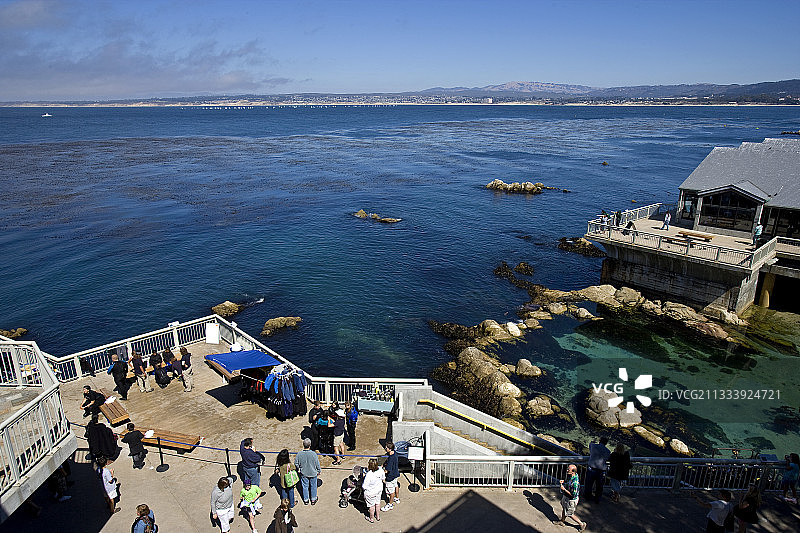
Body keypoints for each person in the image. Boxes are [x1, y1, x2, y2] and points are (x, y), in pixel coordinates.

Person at [554, 464, 586, 530]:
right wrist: (564, 482)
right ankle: (562, 521)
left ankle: (581, 524)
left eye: (568, 469)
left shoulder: (575, 483)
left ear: (573, 471)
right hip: (566, 497)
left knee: (570, 514)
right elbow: (569, 483)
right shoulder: (572, 476)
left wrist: (564, 489)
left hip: (571, 500)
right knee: (564, 508)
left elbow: (573, 494)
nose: (567, 470)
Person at [295, 438, 321, 505]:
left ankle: (306, 500)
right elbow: (317, 464)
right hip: (313, 473)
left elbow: (296, 463)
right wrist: (319, 470)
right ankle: (313, 499)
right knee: (313, 486)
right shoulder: (313, 454)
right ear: (310, 445)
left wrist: (299, 468)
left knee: (305, 486)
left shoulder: (299, 454)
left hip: (304, 473)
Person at [584, 436, 610, 503]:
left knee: (589, 484)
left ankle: (587, 496)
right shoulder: (608, 451)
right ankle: (597, 499)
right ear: (606, 443)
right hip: (601, 470)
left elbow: (590, 445)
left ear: (600, 441)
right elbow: (607, 458)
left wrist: (593, 441)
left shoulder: (593, 446)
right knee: (599, 486)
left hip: (591, 469)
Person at [362, 458, 386, 523]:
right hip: (379, 490)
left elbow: (364, 486)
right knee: (377, 503)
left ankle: (371, 518)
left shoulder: (369, 475)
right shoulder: (381, 470)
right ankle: (378, 517)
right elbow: (383, 478)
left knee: (371, 505)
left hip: (370, 492)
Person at [381, 441, 400, 512]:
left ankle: (390, 504)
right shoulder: (395, 454)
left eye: (386, 448)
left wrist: (381, 470)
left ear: (390, 449)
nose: (385, 449)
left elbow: (387, 470)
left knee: (391, 491)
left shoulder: (391, 458)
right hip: (395, 474)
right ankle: (397, 498)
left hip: (390, 476)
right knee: (396, 485)